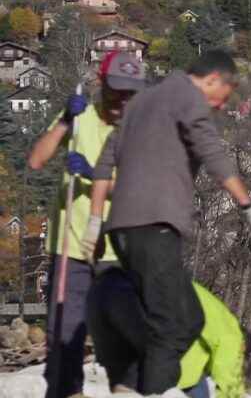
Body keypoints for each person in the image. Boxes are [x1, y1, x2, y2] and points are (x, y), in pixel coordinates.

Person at [83, 50, 251, 394]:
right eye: (222, 97)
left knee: (186, 319)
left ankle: (132, 385)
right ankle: (152, 393)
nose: (219, 106)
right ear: (213, 79)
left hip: (122, 229)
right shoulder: (187, 96)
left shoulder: (141, 102)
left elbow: (104, 163)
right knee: (172, 327)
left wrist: (96, 222)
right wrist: (248, 206)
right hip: (155, 226)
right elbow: (211, 151)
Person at [27, 51, 146, 398]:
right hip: (71, 248)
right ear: (100, 84)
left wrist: (95, 177)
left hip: (118, 252)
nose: (121, 101)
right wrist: (65, 119)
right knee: (64, 336)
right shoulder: (81, 120)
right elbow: (36, 160)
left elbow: (137, 190)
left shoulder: (139, 132)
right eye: (115, 90)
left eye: (130, 94)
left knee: (126, 336)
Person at [87, 267, 251, 398]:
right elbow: (228, 375)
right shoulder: (232, 334)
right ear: (244, 346)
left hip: (148, 346)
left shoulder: (215, 310)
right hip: (173, 368)